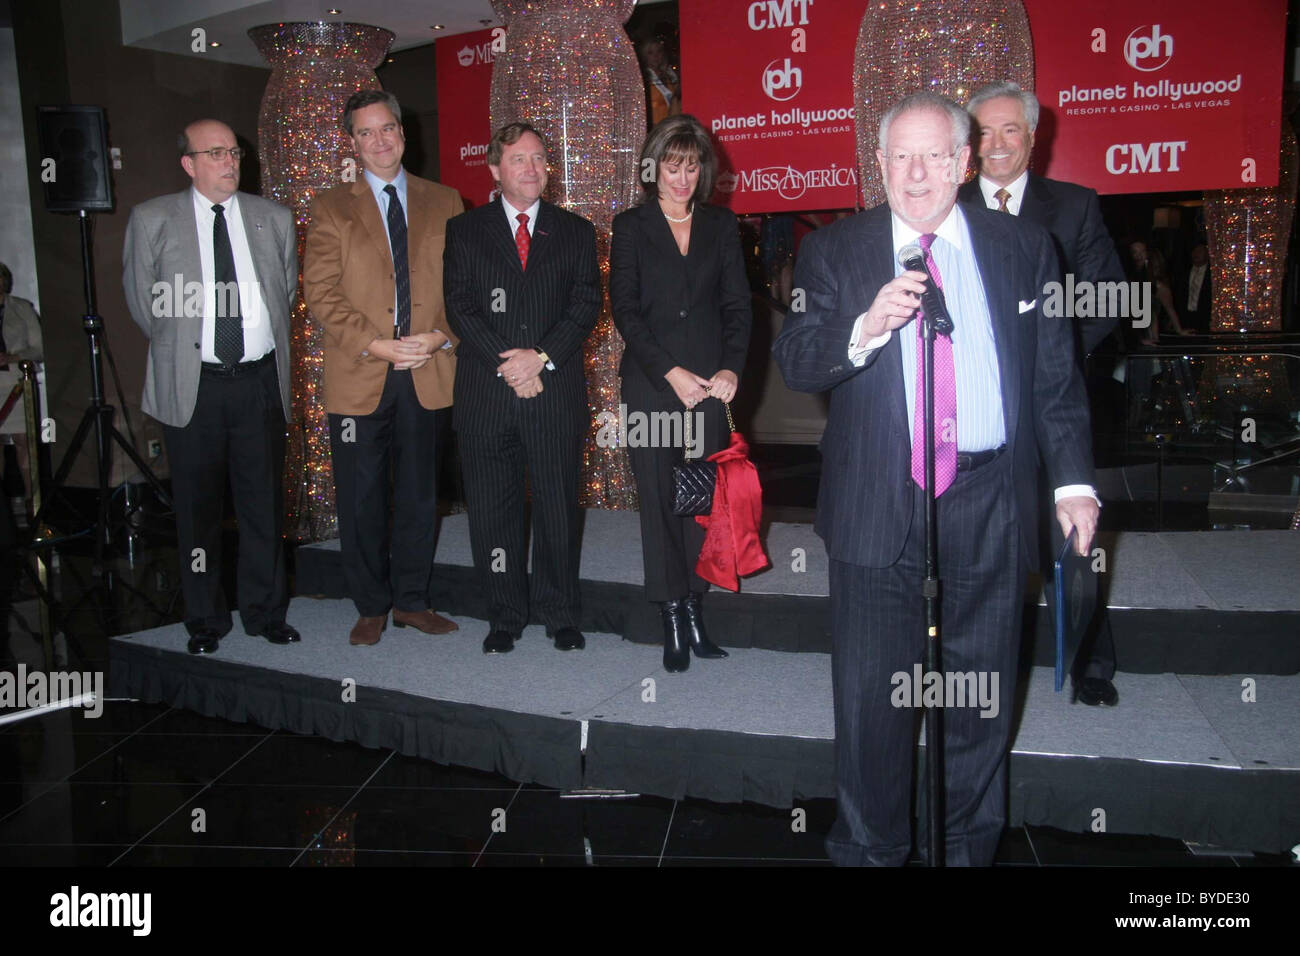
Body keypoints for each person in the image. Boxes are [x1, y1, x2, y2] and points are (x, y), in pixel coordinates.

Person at [773, 92, 1099, 866]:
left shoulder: (1025, 247)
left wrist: (1073, 483)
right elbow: (797, 357)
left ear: (964, 161)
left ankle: (966, 851)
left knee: (978, 699)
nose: (915, 174)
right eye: (898, 157)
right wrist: (864, 328)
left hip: (990, 499)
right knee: (871, 705)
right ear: (878, 164)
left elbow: (1054, 375)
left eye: (932, 156)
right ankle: (871, 850)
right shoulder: (837, 252)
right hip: (878, 500)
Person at [961, 80, 1122, 707]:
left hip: (1049, 398)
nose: (997, 144)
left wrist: (1048, 351)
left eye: (1009, 130)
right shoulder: (949, 205)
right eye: (984, 132)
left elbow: (1107, 299)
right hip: (973, 403)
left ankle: (1090, 661)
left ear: (1033, 137)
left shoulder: (1075, 207)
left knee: (1072, 535)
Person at [122, 119, 299, 655]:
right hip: (193, 386)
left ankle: (266, 612)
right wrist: (189, 346)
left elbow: (283, 292)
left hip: (258, 383)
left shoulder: (273, 218)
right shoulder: (153, 219)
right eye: (215, 153)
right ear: (189, 163)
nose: (229, 161)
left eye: (234, 152)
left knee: (262, 506)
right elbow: (143, 304)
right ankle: (204, 619)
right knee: (197, 510)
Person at [303, 90, 464, 648]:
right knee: (362, 495)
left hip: (428, 369)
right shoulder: (330, 206)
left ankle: (413, 601)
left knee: (421, 495)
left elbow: (462, 287)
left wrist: (443, 334)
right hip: (360, 373)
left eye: (387, 129)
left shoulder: (444, 200)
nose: (380, 141)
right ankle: (371, 604)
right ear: (353, 142)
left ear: (403, 131)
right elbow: (319, 293)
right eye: (366, 132)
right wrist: (376, 344)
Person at [443, 122, 601, 655]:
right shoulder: (465, 231)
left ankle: (561, 614)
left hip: (554, 393)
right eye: (518, 159)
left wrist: (541, 357)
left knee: (558, 506)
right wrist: (508, 364)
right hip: (488, 396)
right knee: (493, 511)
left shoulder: (575, 231)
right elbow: (460, 307)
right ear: (494, 170)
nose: (531, 168)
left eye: (538, 158)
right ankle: (505, 614)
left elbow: (585, 305)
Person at [610, 114, 752, 672]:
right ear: (654, 168)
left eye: (691, 167)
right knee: (660, 501)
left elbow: (738, 308)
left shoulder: (721, 226)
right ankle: (670, 610)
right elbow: (625, 310)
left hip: (711, 391)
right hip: (652, 387)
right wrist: (670, 371)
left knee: (699, 503)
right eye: (672, 166)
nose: (682, 178)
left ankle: (695, 605)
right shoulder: (631, 226)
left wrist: (733, 371)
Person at [0, 262, 44, 522]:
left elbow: (39, 349)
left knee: (24, 445)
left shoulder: (22, 308)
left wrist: (11, 356)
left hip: (17, 383)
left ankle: (34, 507)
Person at [1129, 241, 1190, 344]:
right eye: (1134, 252)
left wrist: (1179, 330)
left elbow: (1169, 309)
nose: (1138, 255)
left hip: (1148, 337)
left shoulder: (1156, 285)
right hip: (1131, 338)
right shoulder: (1125, 279)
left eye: (1142, 252)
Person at [637, 38, 681, 127]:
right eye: (651, 53)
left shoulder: (671, 75)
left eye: (659, 51)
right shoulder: (642, 80)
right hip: (654, 129)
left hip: (672, 126)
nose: (656, 56)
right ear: (644, 56)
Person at [1178, 241, 1212, 332]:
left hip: (1204, 317)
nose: (1196, 254)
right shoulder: (1184, 272)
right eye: (1194, 251)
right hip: (1186, 316)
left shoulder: (1212, 274)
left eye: (1200, 251)